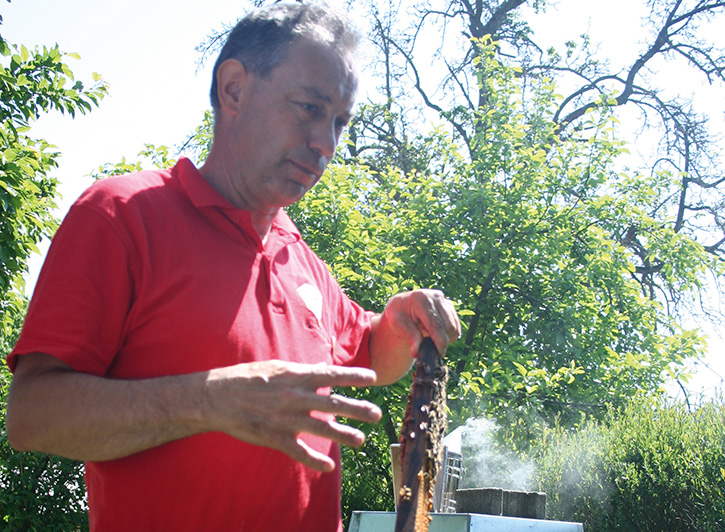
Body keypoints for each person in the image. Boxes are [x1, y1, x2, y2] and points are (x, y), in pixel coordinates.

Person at [5, 3, 460, 531]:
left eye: (339, 122)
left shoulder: (301, 259)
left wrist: (398, 320)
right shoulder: (122, 215)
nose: (326, 144)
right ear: (235, 89)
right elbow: (33, 416)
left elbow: (370, 357)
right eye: (309, 107)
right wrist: (211, 400)